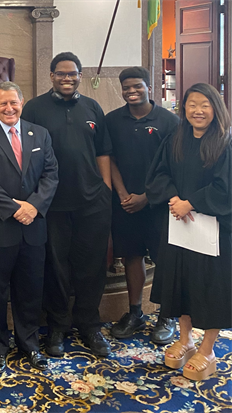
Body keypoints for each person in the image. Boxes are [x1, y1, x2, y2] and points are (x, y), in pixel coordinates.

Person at [21, 51, 113, 357]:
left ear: (79, 76)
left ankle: (90, 324)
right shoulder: (34, 108)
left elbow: (103, 153)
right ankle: (58, 326)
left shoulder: (92, 107)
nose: (67, 78)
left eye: (73, 74)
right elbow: (26, 156)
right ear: (51, 76)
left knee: (92, 265)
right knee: (56, 267)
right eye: (61, 73)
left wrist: (106, 192)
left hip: (92, 202)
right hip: (52, 204)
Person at [0, 81, 58, 374]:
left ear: (22, 103)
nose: (9, 108)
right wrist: (15, 208)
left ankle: (29, 345)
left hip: (32, 227)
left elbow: (51, 174)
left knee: (30, 291)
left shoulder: (39, 133)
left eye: (14, 103)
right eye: (3, 103)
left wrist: (34, 206)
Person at [146, 83, 232, 381]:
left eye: (205, 105)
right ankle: (185, 339)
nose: (198, 110)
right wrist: (173, 198)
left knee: (210, 289)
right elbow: (159, 173)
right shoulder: (176, 138)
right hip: (179, 227)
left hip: (214, 233)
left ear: (216, 108)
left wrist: (191, 203)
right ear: (184, 109)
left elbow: (225, 188)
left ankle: (207, 350)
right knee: (180, 283)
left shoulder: (225, 141)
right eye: (192, 104)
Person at [106, 67, 179, 343]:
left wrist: (146, 197)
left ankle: (166, 316)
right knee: (131, 257)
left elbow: (174, 166)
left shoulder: (169, 121)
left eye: (137, 86)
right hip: (125, 205)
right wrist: (124, 194)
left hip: (159, 205)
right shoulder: (112, 120)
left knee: (164, 260)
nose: (131, 91)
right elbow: (108, 158)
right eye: (126, 87)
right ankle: (135, 313)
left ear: (150, 86)